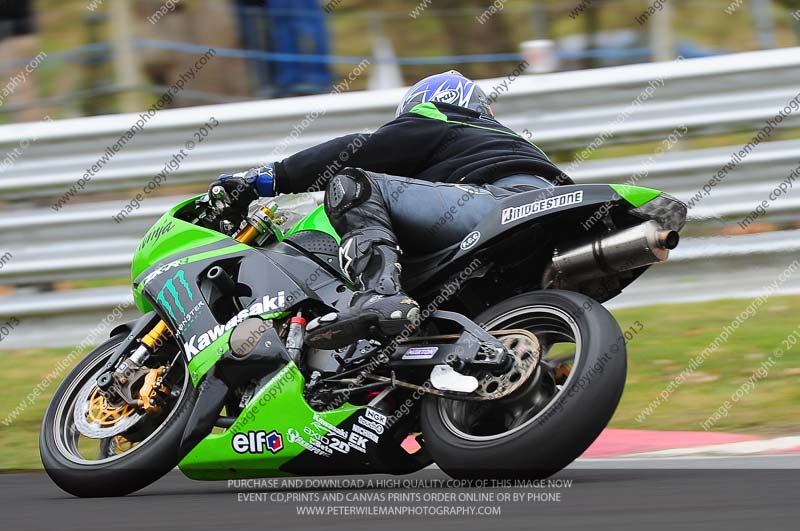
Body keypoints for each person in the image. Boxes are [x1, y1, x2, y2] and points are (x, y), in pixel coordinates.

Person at [208, 70, 572, 350]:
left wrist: (270, 178)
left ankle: (380, 296)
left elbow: (360, 150)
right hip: (556, 225)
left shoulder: (438, 117)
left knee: (353, 184)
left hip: (493, 205)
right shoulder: (512, 142)